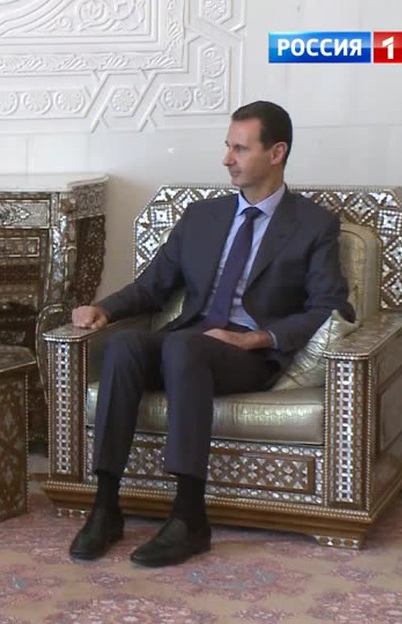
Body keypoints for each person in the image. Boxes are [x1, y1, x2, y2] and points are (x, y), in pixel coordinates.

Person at [67, 101, 353, 567]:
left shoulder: (312, 225)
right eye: (227, 147)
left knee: (184, 347)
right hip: (190, 342)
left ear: (277, 152)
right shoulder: (202, 216)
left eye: (240, 149)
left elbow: (329, 306)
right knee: (125, 344)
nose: (227, 159)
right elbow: (152, 285)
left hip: (246, 355)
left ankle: (189, 517)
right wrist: (104, 308)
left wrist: (256, 339)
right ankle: (106, 505)